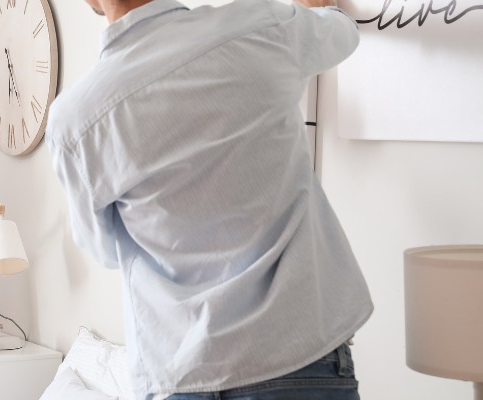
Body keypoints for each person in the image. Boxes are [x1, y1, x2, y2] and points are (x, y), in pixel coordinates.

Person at [45, 0, 373, 399]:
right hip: (300, 358)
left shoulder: (76, 122)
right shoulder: (260, 25)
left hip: (184, 377)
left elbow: (106, 251)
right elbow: (341, 33)